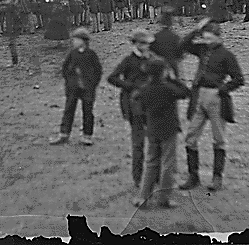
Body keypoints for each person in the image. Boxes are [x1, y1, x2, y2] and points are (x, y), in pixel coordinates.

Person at [178, 18, 245, 191]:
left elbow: (239, 79)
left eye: (209, 39)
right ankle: (193, 176)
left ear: (218, 37)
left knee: (219, 140)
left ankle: (217, 178)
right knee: (190, 138)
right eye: (204, 38)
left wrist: (223, 89)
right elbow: (184, 44)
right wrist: (196, 30)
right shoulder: (202, 50)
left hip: (216, 98)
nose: (206, 42)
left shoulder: (227, 55)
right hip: (199, 96)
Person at [132, 58, 191, 209]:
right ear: (163, 72)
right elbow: (186, 92)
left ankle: (142, 197)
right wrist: (174, 79)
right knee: (167, 164)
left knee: (151, 163)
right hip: (169, 130)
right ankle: (163, 198)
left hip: (152, 130)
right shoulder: (168, 88)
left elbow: (138, 103)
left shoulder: (144, 89)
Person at [107, 29, 157, 188]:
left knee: (155, 141)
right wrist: (130, 86)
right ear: (134, 44)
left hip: (151, 105)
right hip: (134, 106)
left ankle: (154, 176)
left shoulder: (153, 59)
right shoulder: (128, 61)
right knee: (138, 143)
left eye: (147, 43)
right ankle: (138, 177)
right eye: (142, 43)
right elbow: (112, 77)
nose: (145, 46)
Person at [49, 28, 103, 146]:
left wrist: (92, 84)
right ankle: (64, 134)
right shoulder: (72, 54)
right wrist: (69, 82)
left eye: (76, 39)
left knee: (88, 111)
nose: (73, 42)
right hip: (73, 89)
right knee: (69, 110)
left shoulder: (91, 55)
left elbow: (98, 71)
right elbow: (65, 69)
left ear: (84, 41)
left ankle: (87, 136)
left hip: (87, 89)